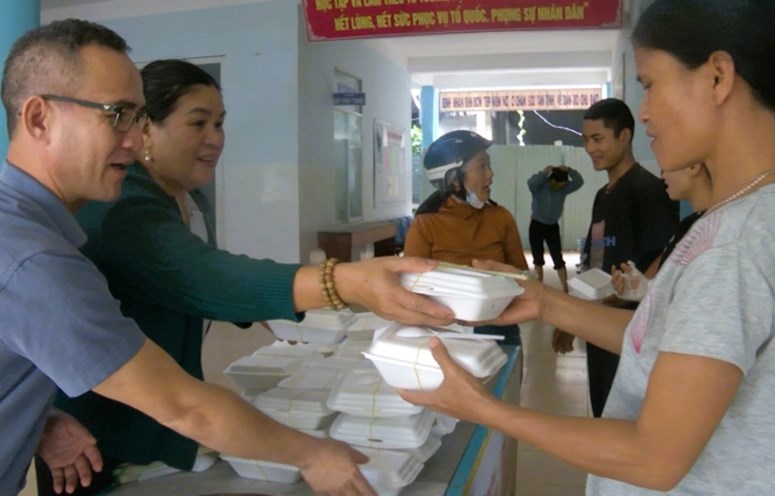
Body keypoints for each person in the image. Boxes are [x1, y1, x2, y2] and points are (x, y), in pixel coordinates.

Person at [0, 19, 453, 496]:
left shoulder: (31, 229)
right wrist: (313, 453)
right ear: (38, 119)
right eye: (117, 115)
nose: (131, 139)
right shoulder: (38, 258)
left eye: (135, 117)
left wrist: (38, 413)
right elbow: (185, 398)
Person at [399, 0, 775, 494]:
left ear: (718, 77)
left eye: (651, 84)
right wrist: (543, 301)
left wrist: (481, 408)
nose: (645, 112)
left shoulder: (735, 244)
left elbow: (653, 457)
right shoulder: (748, 216)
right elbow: (659, 338)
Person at [553, 97, 679, 418]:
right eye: (586, 140)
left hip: (631, 333)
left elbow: (663, 260)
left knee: (628, 421)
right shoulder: (602, 196)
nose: (590, 148)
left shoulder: (649, 192)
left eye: (598, 139)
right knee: (603, 411)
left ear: (625, 136)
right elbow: (594, 261)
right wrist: (576, 313)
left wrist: (612, 305)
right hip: (599, 329)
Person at [403, 130, 528, 345]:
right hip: (445, 328)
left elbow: (522, 276)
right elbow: (411, 286)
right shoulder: (426, 223)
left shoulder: (501, 218)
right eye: (482, 167)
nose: (490, 174)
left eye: (489, 165)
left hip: (498, 323)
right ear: (453, 179)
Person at [611, 163, 712, 297]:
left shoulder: (713, 232)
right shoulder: (688, 225)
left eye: (667, 168)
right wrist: (644, 289)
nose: (662, 176)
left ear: (693, 166)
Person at [526, 164, 584, 291]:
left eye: (563, 185)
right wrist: (544, 172)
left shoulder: (563, 189)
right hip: (537, 225)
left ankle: (565, 289)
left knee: (558, 260)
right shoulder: (539, 186)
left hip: (552, 227)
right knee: (538, 260)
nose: (561, 187)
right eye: (559, 184)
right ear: (552, 180)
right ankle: (539, 289)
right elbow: (530, 182)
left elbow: (579, 182)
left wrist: (569, 170)